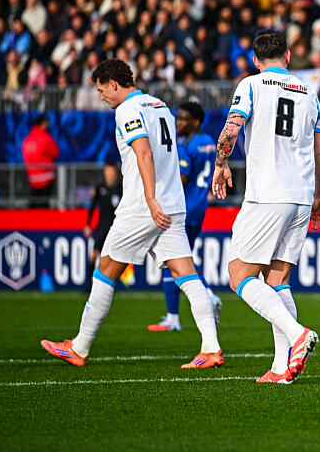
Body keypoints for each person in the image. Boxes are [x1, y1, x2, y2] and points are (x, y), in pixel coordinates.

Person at [41, 59, 223, 368]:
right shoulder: (161, 106)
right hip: (173, 204)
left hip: (143, 206)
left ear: (113, 83)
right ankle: (211, 348)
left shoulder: (127, 110)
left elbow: (144, 152)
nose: (101, 97)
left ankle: (79, 347)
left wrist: (149, 198)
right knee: (187, 274)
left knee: (105, 269)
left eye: (102, 90)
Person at [211, 29, 320, 384]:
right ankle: (281, 368)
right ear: (288, 57)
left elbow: (231, 129)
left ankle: (297, 334)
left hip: (267, 193)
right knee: (277, 279)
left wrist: (221, 163)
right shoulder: (309, 92)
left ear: (255, 60)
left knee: (239, 275)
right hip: (301, 195)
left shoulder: (251, 85)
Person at [148, 101, 222, 332]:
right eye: (177, 118)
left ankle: (185, 310)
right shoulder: (209, 142)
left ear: (196, 121)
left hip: (183, 208)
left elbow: (180, 180)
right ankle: (179, 313)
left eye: (183, 119)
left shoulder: (185, 146)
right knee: (181, 257)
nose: (178, 123)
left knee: (174, 259)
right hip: (200, 207)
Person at [83, 163, 122, 291]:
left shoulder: (120, 188)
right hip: (102, 226)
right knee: (94, 255)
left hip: (115, 226)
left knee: (112, 257)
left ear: (115, 173)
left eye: (111, 172)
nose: (109, 174)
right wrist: (88, 225)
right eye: (107, 171)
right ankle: (89, 285)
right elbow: (92, 206)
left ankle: (110, 285)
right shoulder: (100, 187)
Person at [22, 114, 60, 207]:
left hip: (32, 178)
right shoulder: (46, 138)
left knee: (33, 206)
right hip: (46, 177)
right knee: (43, 207)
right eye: (46, 124)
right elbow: (56, 152)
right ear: (43, 124)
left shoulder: (27, 139)